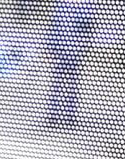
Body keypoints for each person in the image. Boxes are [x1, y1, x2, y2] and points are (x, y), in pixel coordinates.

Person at [46, 0, 95, 130]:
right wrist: (51, 48)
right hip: (61, 50)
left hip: (75, 51)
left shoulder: (87, 7)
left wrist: (84, 48)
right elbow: (53, 28)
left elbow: (88, 30)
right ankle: (53, 114)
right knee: (57, 83)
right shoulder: (61, 6)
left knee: (72, 84)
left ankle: (69, 115)